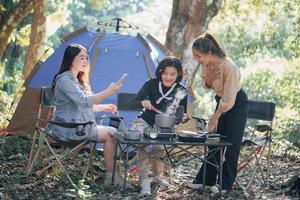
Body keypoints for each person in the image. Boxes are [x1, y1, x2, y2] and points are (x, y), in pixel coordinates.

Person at [46, 43, 129, 188]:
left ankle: (114, 176)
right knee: (112, 133)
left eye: (87, 58)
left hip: (77, 126)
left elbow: (80, 107)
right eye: (82, 58)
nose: (85, 61)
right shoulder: (65, 79)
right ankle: (113, 177)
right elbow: (83, 102)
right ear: (71, 59)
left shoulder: (75, 79)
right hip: (69, 129)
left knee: (113, 132)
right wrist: (109, 91)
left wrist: (103, 107)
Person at [187, 32, 248, 194]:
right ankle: (205, 180)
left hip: (237, 103)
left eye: (198, 56)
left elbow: (229, 99)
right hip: (221, 102)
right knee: (214, 141)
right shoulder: (206, 64)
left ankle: (224, 184)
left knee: (231, 145)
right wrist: (209, 77)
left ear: (209, 52)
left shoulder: (229, 67)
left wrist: (215, 117)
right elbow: (207, 85)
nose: (197, 60)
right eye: (195, 57)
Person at [130, 56, 188, 196]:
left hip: (163, 127)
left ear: (179, 74)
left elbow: (181, 113)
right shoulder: (151, 84)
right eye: (165, 73)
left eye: (172, 74)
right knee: (143, 142)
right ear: (160, 72)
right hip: (144, 122)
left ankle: (157, 176)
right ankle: (144, 180)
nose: (168, 77)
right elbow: (133, 103)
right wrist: (143, 103)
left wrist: (183, 117)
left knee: (159, 146)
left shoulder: (181, 90)